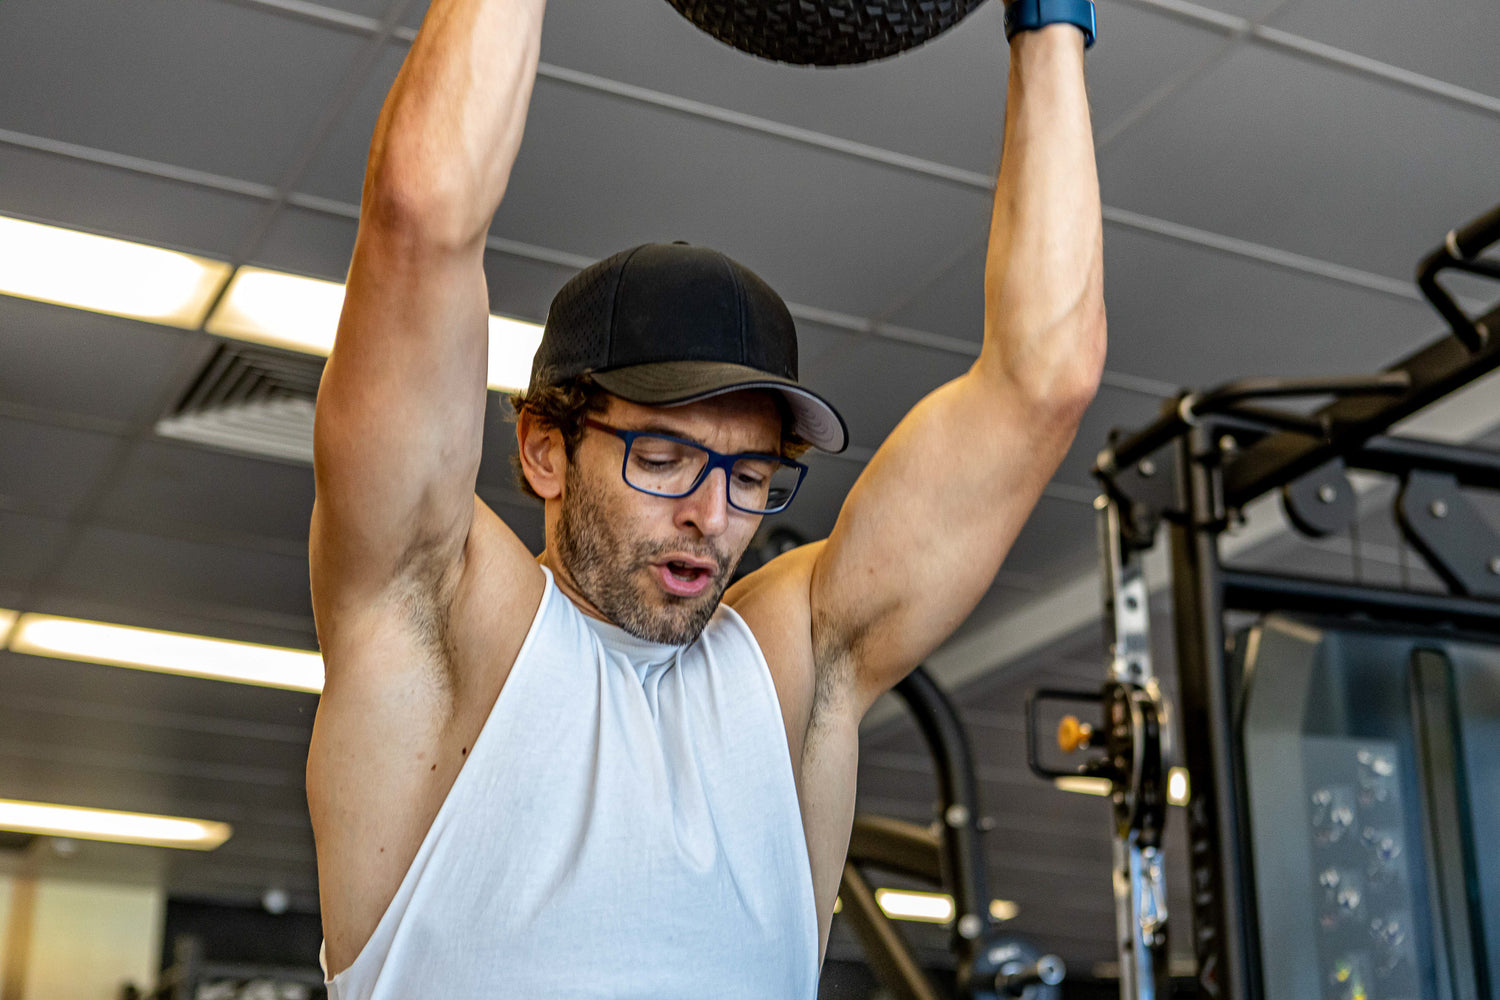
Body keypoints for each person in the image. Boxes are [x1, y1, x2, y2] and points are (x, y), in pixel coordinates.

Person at [305, 0, 1105, 996]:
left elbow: (1046, 382)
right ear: (545, 448)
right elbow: (420, 216)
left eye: (751, 474)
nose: (713, 514)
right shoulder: (432, 628)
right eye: (666, 456)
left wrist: (1051, 21)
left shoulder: (794, 678)